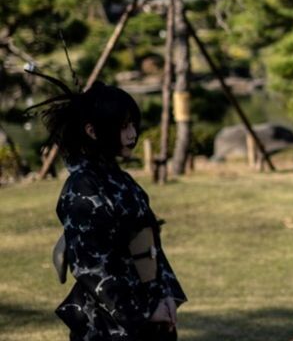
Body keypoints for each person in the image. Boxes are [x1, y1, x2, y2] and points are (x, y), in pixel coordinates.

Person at [26, 71, 186, 341]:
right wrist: (144, 312)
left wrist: (167, 295)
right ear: (92, 131)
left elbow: (151, 247)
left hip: (150, 311)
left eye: (133, 124)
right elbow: (91, 267)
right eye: (123, 127)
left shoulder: (121, 180)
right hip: (107, 323)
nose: (132, 134)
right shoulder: (82, 188)